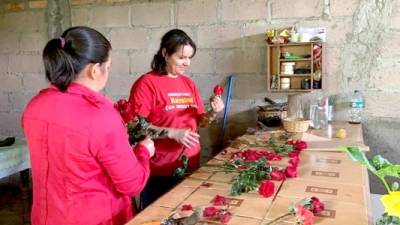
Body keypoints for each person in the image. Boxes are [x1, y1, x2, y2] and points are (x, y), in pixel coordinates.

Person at [21, 26, 155, 225]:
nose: (108, 72)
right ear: (94, 70)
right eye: (108, 67)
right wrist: (143, 151)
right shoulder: (99, 115)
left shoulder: (34, 106)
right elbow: (132, 183)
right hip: (96, 218)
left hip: (46, 217)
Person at [128, 29, 224, 209]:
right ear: (165, 53)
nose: (187, 63)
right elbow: (134, 127)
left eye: (189, 58)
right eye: (181, 58)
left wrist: (212, 112)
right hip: (160, 171)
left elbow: (200, 123)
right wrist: (171, 133)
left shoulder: (189, 83)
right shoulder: (147, 83)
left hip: (190, 167)